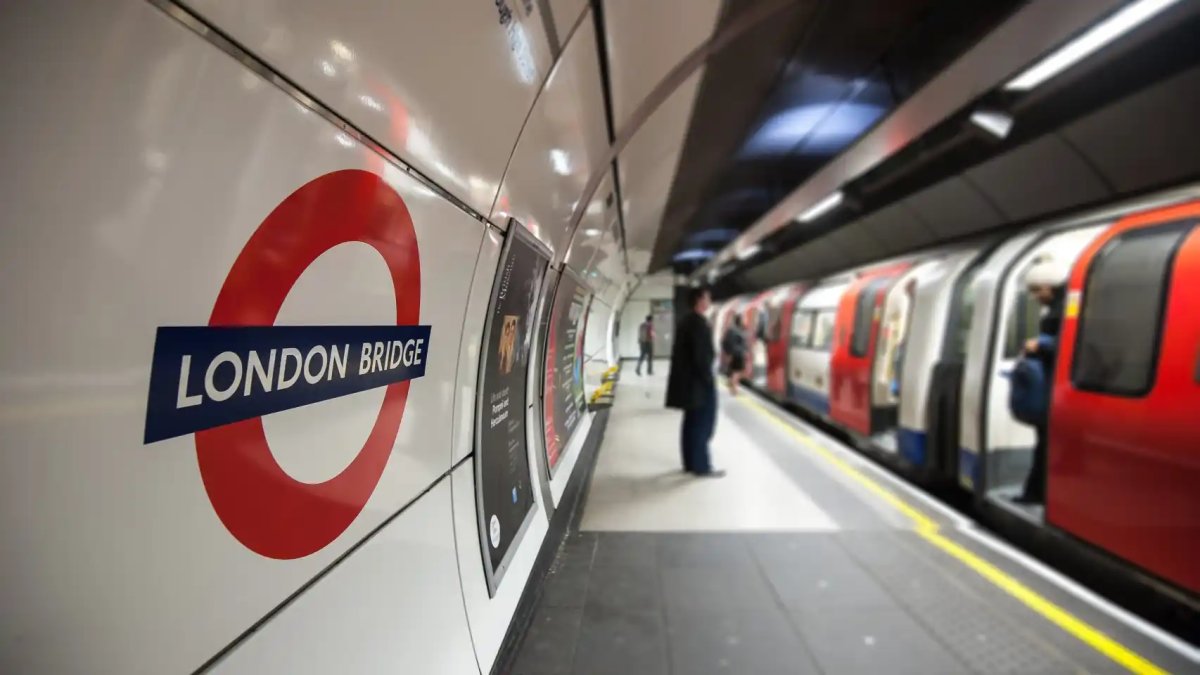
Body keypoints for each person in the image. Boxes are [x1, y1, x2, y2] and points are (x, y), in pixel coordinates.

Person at [1016, 255, 1068, 505]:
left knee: (1045, 444)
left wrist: (1040, 345)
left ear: (1051, 285)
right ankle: (1036, 492)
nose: (1036, 297)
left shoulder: (1062, 310)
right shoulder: (1061, 306)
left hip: (1053, 387)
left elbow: (1069, 345)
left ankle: (1035, 493)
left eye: (1038, 290)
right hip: (1054, 385)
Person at [666, 287, 724, 478]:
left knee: (690, 424)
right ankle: (702, 466)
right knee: (702, 425)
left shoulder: (686, 321)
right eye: (707, 298)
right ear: (699, 300)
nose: (709, 301)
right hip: (699, 386)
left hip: (689, 385)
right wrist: (709, 380)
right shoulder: (699, 324)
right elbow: (701, 358)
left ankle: (690, 463)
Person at [721, 315, 748, 395]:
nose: (745, 321)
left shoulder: (731, 330)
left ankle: (732, 386)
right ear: (740, 321)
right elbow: (739, 343)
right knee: (737, 371)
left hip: (734, 354)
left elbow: (724, 342)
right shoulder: (737, 331)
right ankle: (734, 390)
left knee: (734, 371)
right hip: (738, 354)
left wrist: (728, 353)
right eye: (744, 319)